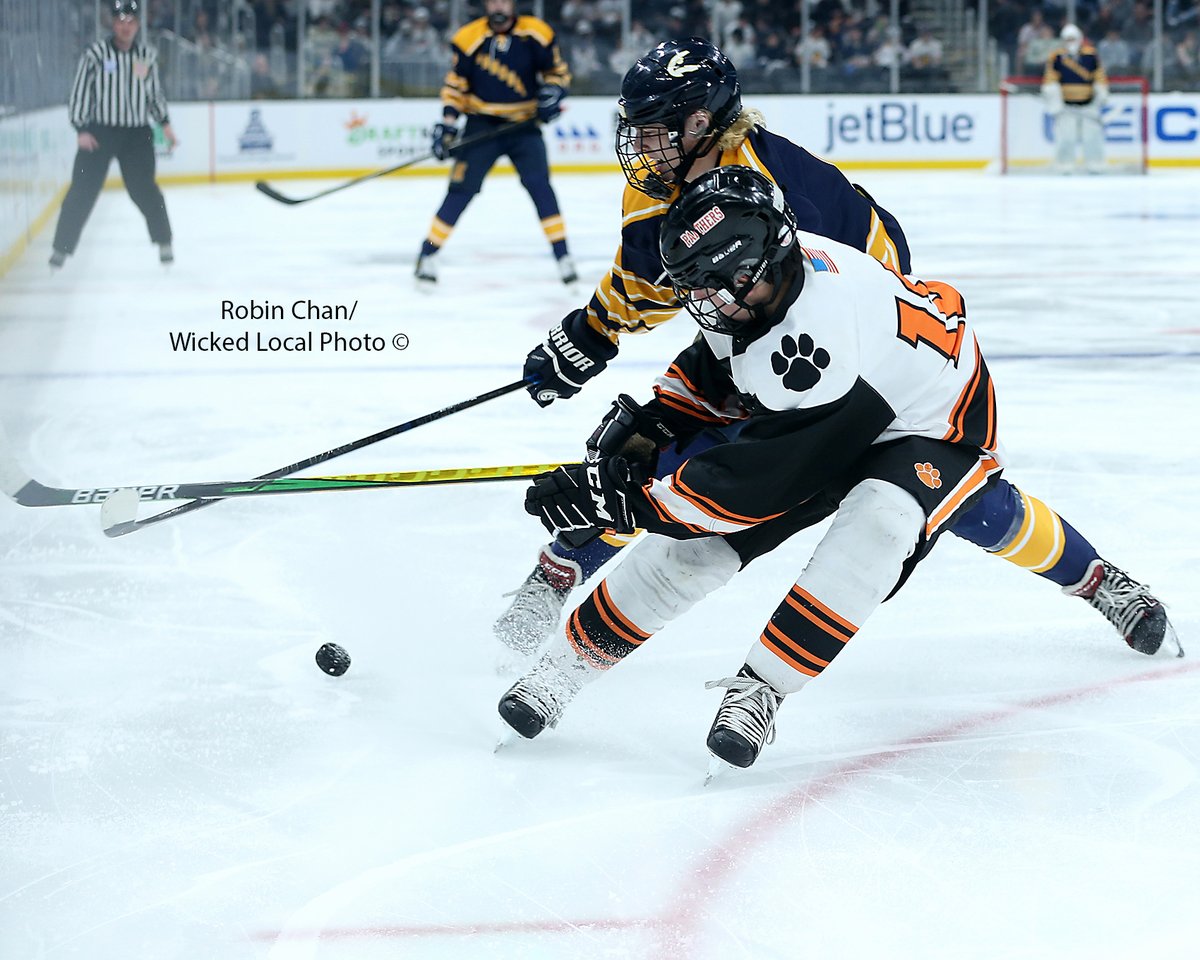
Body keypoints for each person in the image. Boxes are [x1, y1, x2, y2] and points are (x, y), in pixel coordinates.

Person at [496, 38, 1174, 673]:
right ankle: (561, 566)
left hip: (860, 356)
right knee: (649, 449)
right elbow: (650, 275)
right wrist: (591, 334)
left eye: (653, 130)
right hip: (752, 334)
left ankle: (1097, 580)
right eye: (635, 131)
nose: (638, 148)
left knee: (948, 496)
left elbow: (869, 296)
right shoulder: (658, 180)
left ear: (701, 122)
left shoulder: (791, 194)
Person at [499, 166, 1182, 770]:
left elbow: (754, 488)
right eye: (698, 290)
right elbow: (718, 369)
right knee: (699, 546)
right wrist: (658, 423)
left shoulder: (815, 333)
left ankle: (762, 689)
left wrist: (630, 502)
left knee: (878, 527)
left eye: (714, 289)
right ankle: (563, 670)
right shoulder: (749, 284)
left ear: (754, 269)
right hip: (850, 397)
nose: (705, 304)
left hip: (928, 416)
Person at [414, 0, 576, 286]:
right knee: (460, 190)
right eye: (493, 0)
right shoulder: (467, 38)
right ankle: (427, 254)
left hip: (523, 125)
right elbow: (456, 87)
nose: (498, 5)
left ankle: (563, 257)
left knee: (540, 187)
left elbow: (558, 73)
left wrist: (553, 92)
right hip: (482, 124)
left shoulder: (537, 33)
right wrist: (448, 125)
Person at [49, 0, 176, 270]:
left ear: (138, 24)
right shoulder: (95, 54)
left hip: (136, 135)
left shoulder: (146, 56)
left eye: (131, 21)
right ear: (112, 23)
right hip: (99, 133)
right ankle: (61, 250)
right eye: (120, 21)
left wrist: (164, 123)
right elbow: (79, 93)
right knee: (81, 192)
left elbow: (154, 94)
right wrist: (81, 129)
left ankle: (164, 241)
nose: (125, 27)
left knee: (144, 190)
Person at [1042, 24, 1109, 175]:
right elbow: (1050, 79)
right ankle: (1064, 164)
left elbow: (1099, 75)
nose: (1070, 42)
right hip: (1066, 106)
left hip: (1088, 105)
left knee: (1092, 137)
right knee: (1066, 138)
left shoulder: (1091, 55)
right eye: (1067, 39)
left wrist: (1102, 90)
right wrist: (1051, 93)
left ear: (1079, 39)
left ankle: (1095, 164)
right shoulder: (1057, 57)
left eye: (1073, 39)